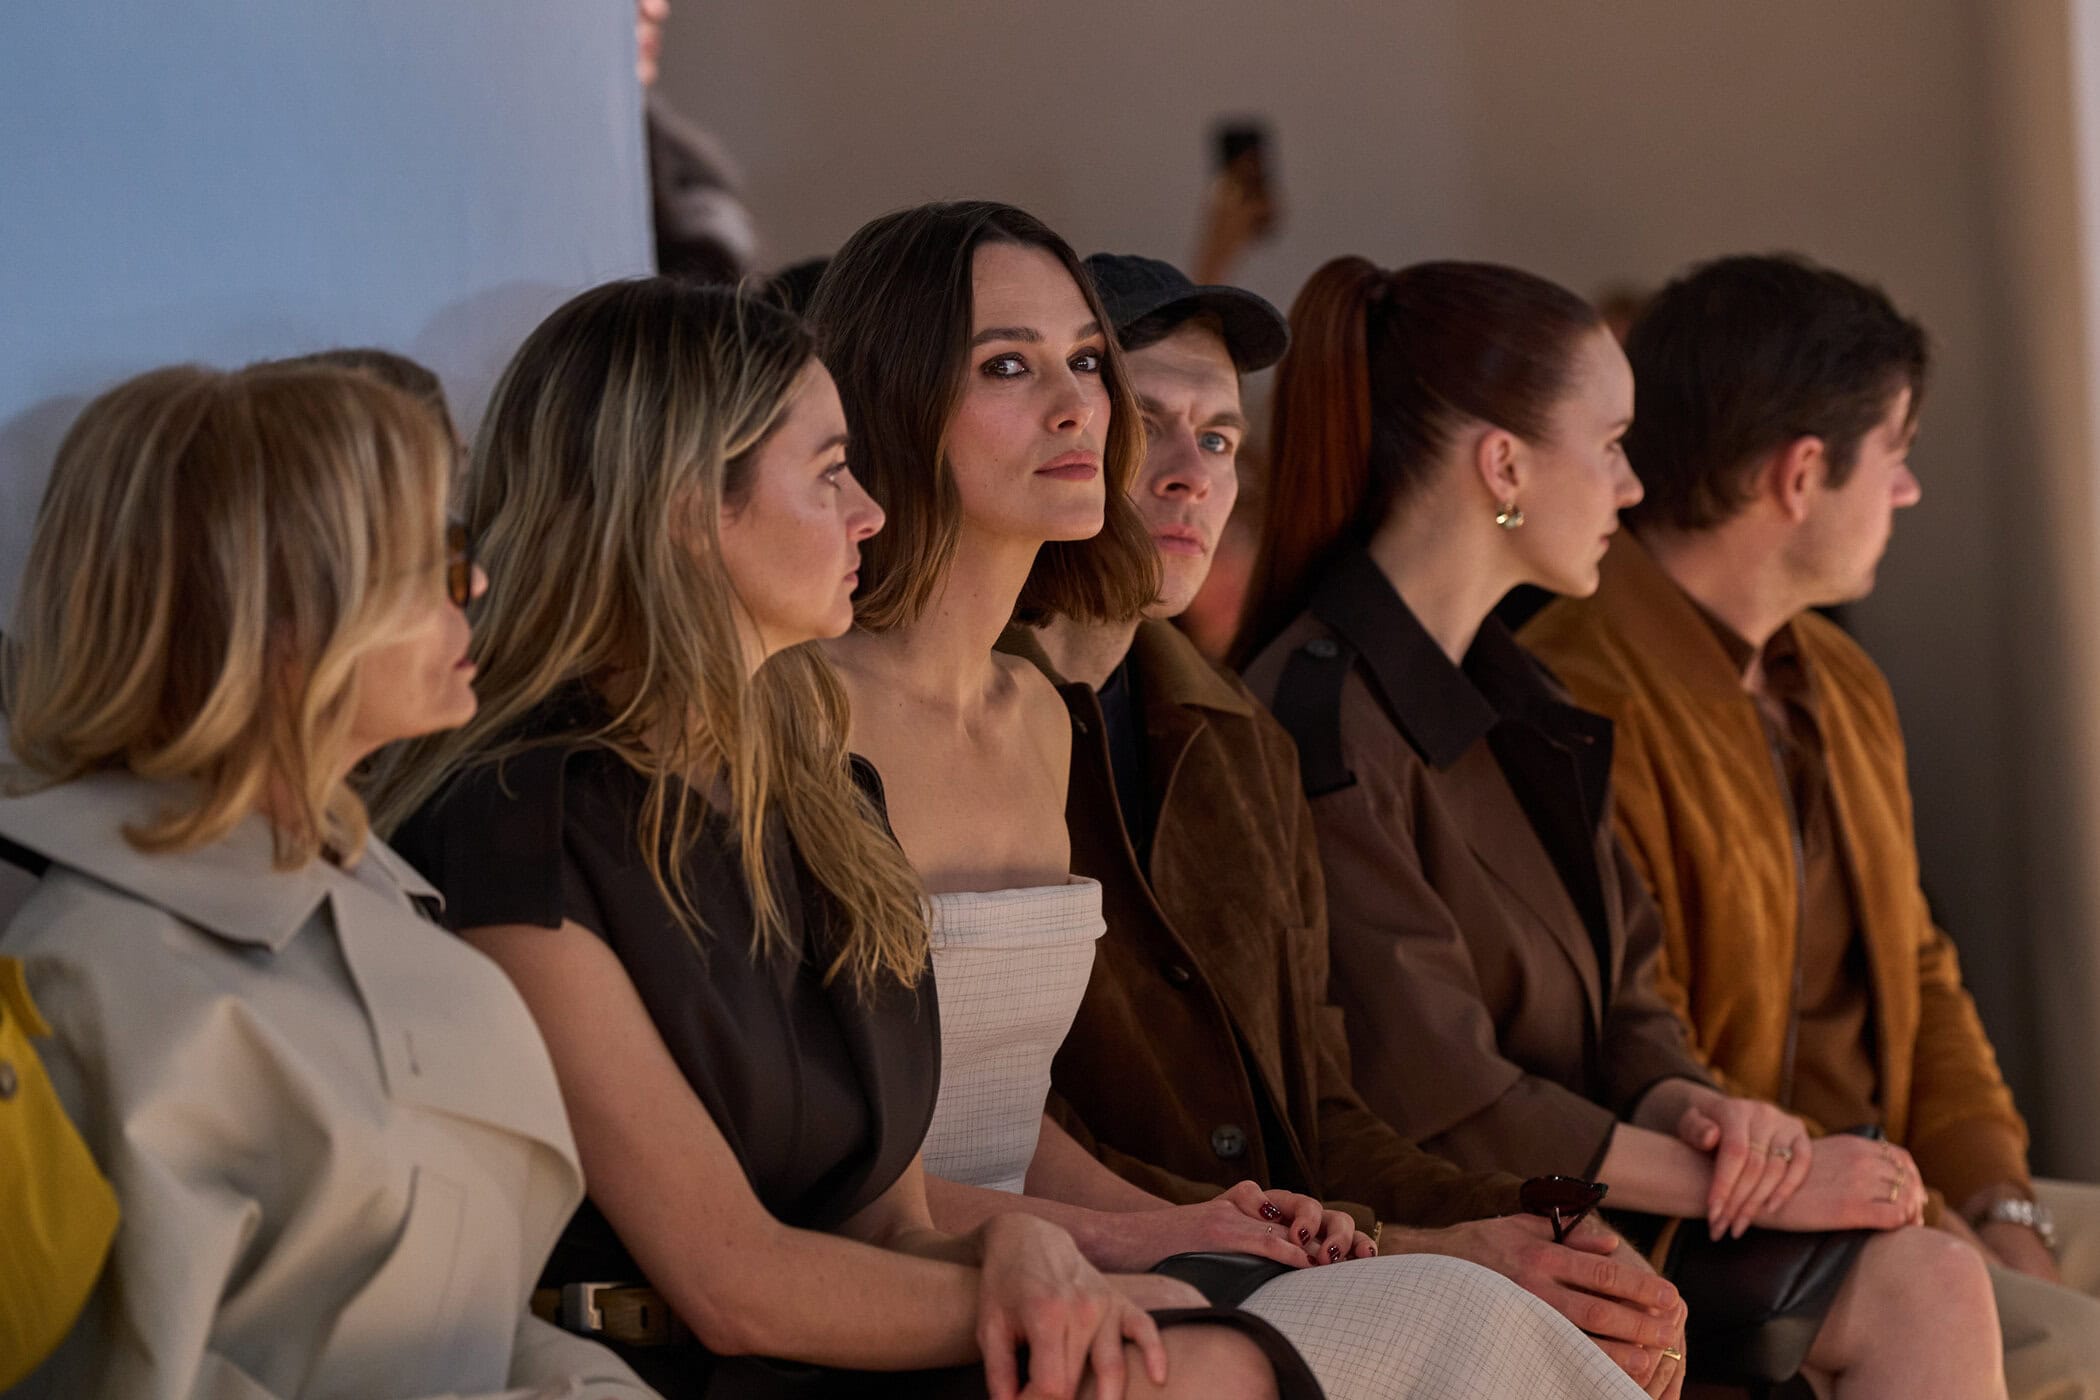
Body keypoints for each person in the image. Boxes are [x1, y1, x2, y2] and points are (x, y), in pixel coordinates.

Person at [377, 277, 1306, 1400]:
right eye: (828, 475)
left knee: (1228, 1345)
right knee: (1200, 1363)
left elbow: (891, 1214)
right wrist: (1083, 1296)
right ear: (687, 509)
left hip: (834, 1341)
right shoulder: (514, 819)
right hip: (658, 1367)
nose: (871, 511)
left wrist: (1026, 1248)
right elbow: (729, 1280)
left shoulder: (822, 790)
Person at [810, 200, 1670, 1400]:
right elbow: (862, 1154)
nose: (1169, 467)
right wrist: (1187, 1237)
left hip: (1150, 1243)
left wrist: (1484, 1224)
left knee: (1511, 1315)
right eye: (1017, 366)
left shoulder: (1138, 729)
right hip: (972, 1274)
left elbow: (1290, 1100)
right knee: (1466, 1324)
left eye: (1219, 440)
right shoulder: (816, 717)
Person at [1236, 255, 2008, 1398]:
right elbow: (1442, 1092)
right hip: (1461, 1220)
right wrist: (1744, 1183)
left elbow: (1633, 994)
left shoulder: (1519, 693)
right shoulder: (1316, 714)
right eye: (1608, 446)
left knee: (1935, 1271)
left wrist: (1707, 1114)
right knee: (1929, 1282)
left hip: (1591, 1187)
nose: (1635, 488)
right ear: (1503, 464)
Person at [0, 363, 652, 1398]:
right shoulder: (89, 981)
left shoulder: (362, 894)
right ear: (285, 612)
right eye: (436, 556)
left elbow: (476, 1308)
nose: (475, 582)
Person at [1519, 252, 2100, 1398]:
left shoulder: (1835, 677)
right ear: (1799, 475)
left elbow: (1920, 965)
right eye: (1895, 454)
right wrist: (1943, 1224)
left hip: (1909, 1182)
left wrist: (1998, 1195)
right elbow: (1651, 1058)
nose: (1907, 490)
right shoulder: (1577, 704)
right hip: (1757, 1217)